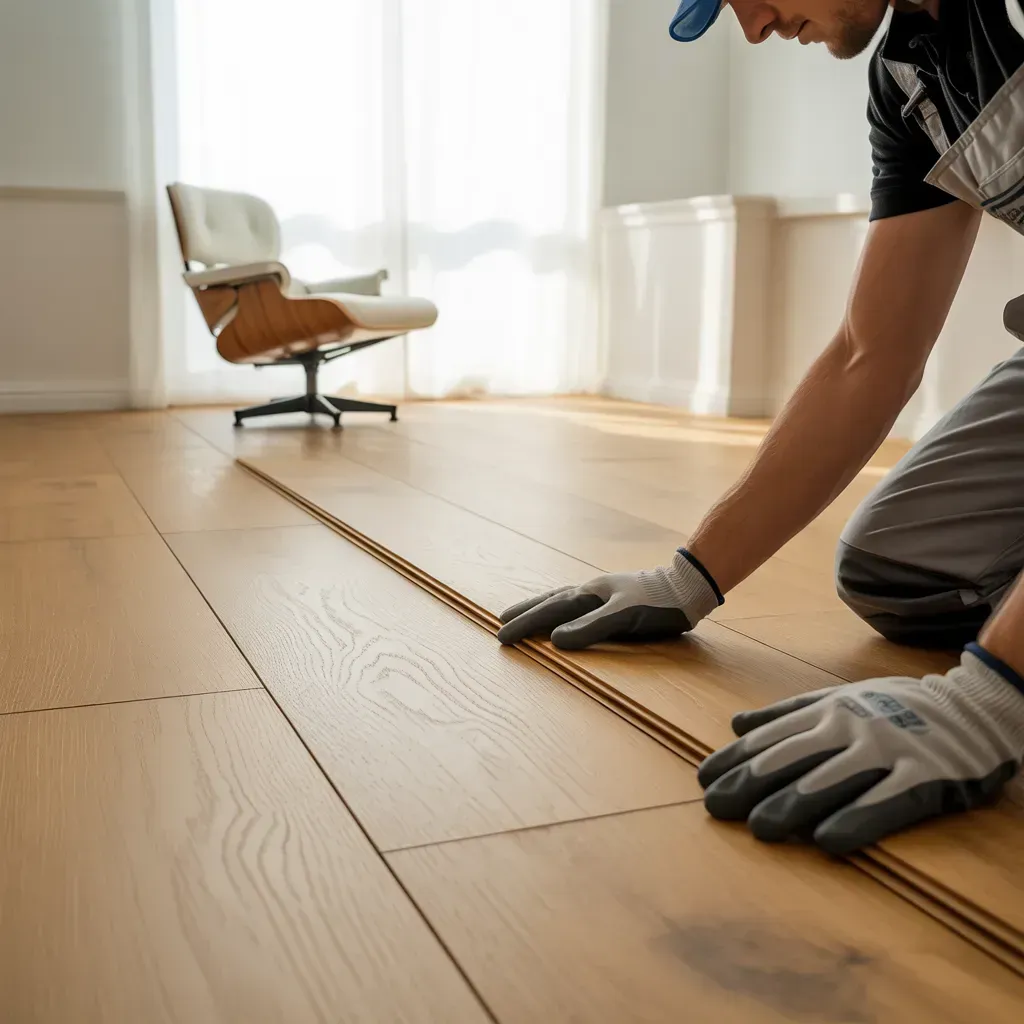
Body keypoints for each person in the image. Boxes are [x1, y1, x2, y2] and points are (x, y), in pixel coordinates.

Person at [497, 0, 1024, 856]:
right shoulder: (907, 79)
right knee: (903, 573)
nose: (751, 29)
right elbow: (869, 354)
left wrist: (994, 694)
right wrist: (690, 576)